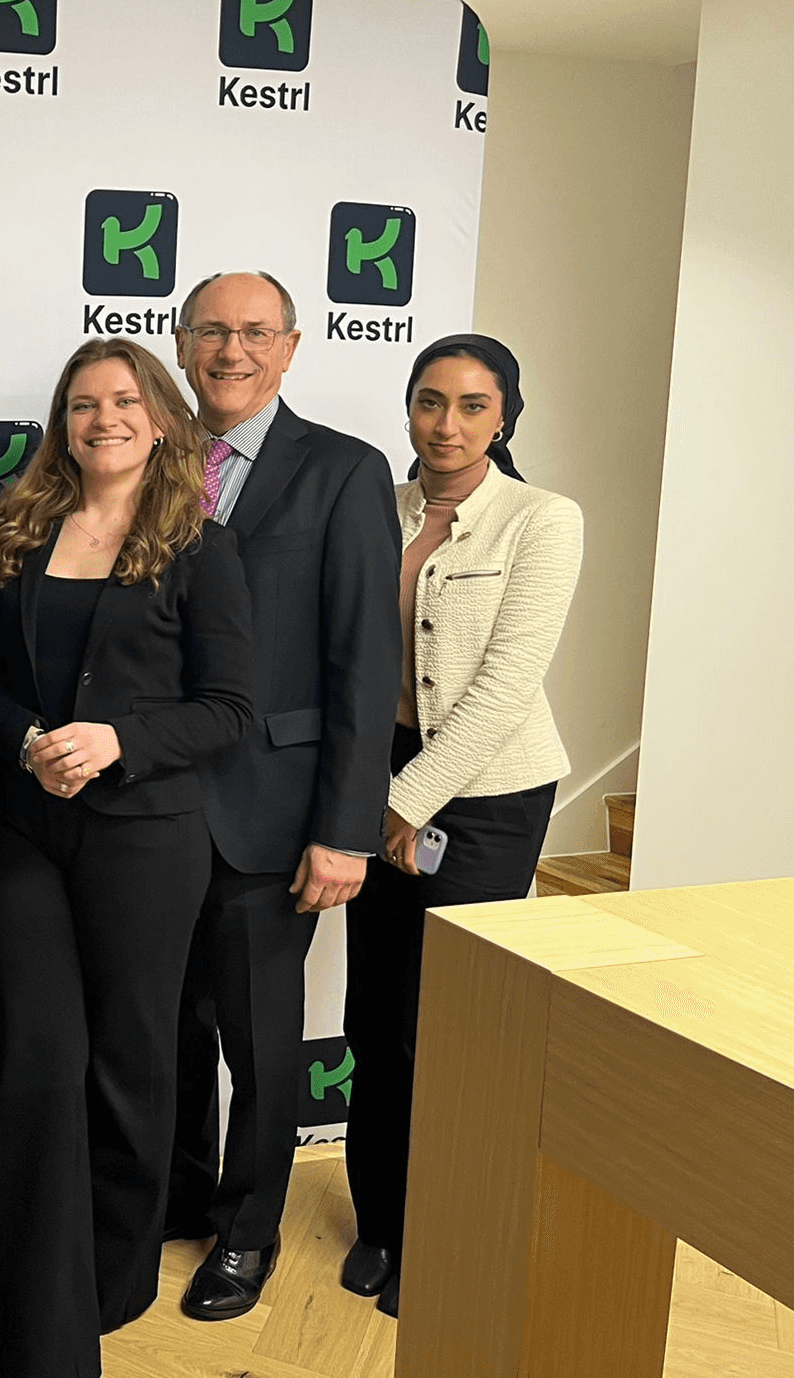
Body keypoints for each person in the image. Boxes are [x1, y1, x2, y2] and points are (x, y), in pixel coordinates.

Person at [0, 337, 254, 1378]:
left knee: (129, 1067)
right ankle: (45, 1329)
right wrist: (27, 736)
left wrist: (121, 740)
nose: (104, 419)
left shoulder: (202, 550)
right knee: (36, 1067)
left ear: (162, 419)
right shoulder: (20, 531)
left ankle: (116, 1279)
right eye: (83, 405)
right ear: (62, 424)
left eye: (125, 401)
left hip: (147, 839)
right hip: (28, 832)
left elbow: (230, 709)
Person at [163, 270, 402, 1321]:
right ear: (179, 344)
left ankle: (245, 1235)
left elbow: (363, 662)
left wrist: (345, 830)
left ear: (292, 349)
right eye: (212, 330)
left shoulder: (344, 472)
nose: (231, 350)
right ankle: (171, 1200)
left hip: (273, 815)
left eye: (255, 332)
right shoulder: (148, 456)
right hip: (152, 808)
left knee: (261, 1043)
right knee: (156, 1025)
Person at [340, 335, 582, 1317]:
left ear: (505, 418)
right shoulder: (379, 508)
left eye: (473, 407)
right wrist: (374, 795)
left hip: (486, 797)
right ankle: (383, 1223)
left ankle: (450, 1231)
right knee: (378, 1018)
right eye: (430, 402)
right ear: (407, 408)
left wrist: (407, 804)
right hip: (383, 779)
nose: (447, 425)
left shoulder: (542, 519)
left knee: (455, 1029)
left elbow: (502, 688)